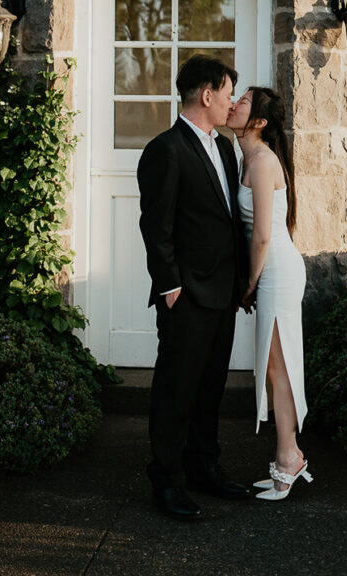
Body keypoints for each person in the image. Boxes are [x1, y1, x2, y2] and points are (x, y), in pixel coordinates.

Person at [137, 54, 251, 521]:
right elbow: (155, 226)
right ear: (207, 95)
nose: (230, 104)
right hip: (186, 295)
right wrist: (170, 287)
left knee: (211, 388)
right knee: (175, 392)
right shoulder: (164, 149)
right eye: (226, 94)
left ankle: (204, 467)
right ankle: (166, 480)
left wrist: (243, 283)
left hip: (223, 292)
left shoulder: (224, 148)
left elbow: (227, 221)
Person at [226, 86, 312, 501]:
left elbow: (261, 236)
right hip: (271, 268)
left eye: (243, 103)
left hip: (276, 268)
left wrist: (249, 284)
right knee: (274, 366)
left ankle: (288, 458)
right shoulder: (247, 158)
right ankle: (288, 454)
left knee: (278, 367)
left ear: (258, 122)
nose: (234, 104)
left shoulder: (261, 162)